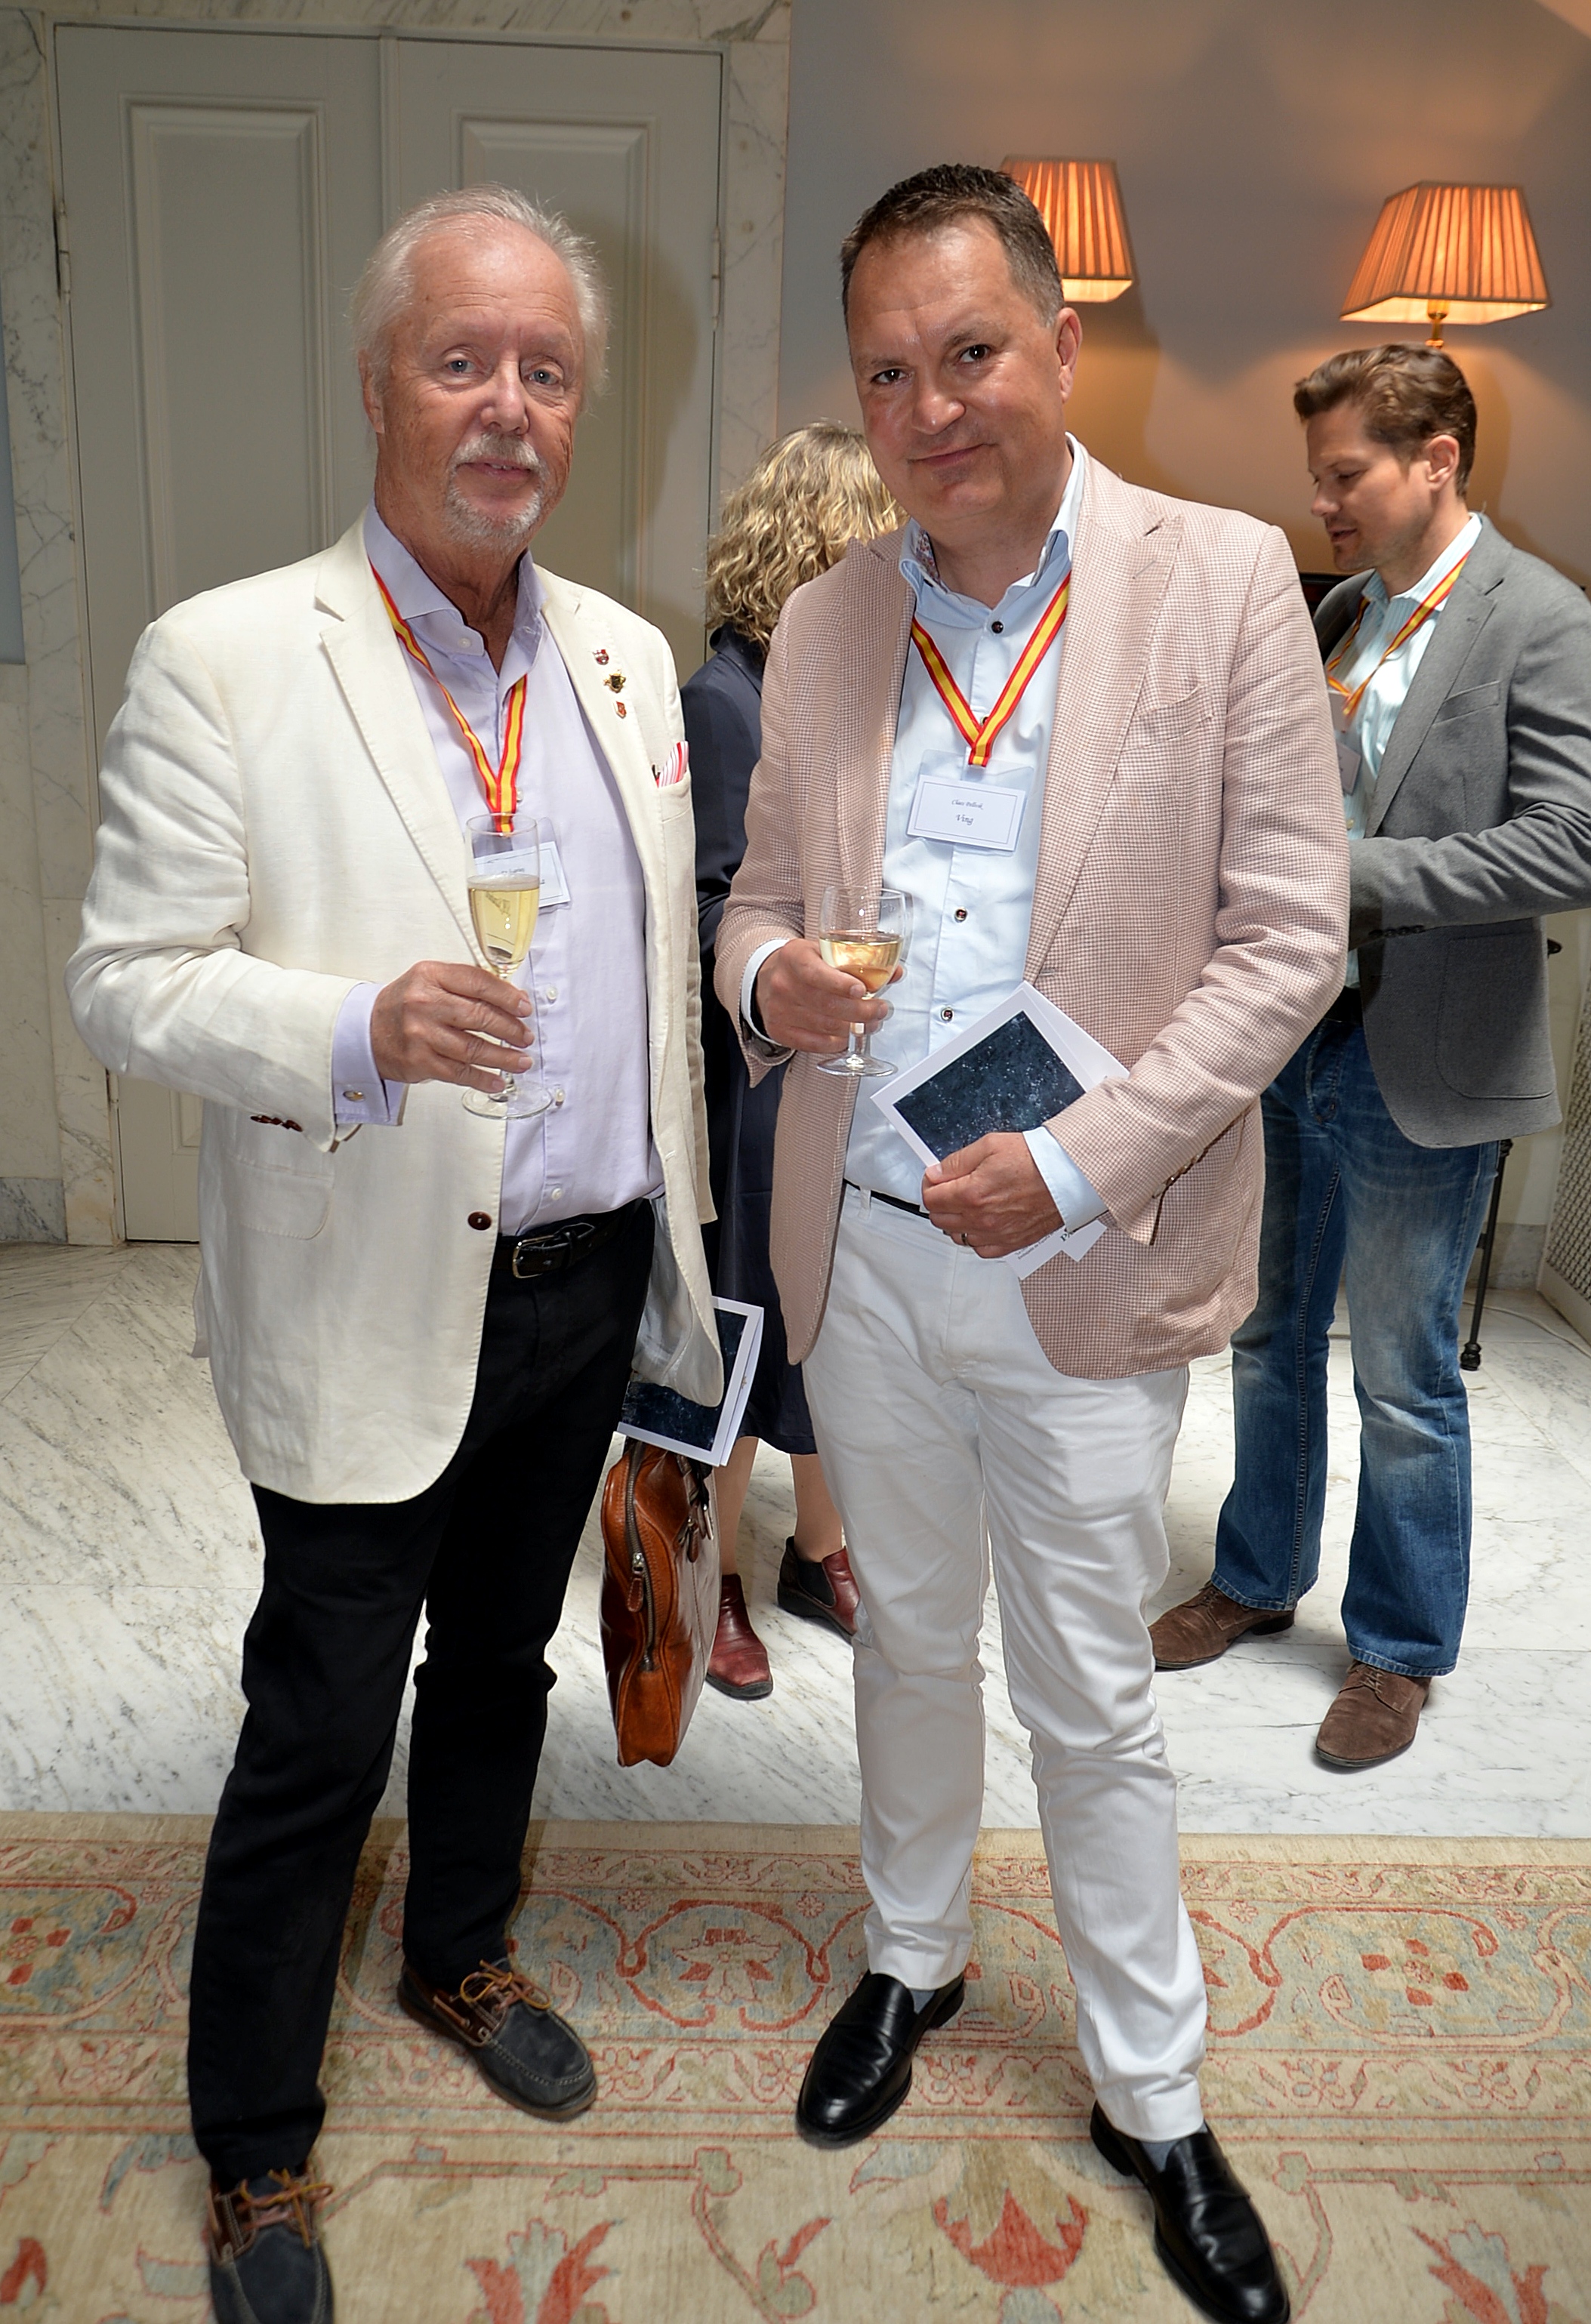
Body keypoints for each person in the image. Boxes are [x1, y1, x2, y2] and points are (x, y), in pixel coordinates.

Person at [66, 185, 720, 2324]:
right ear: (377, 385)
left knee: (504, 1664)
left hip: (581, 1275)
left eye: (545, 369)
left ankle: (456, 1951)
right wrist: (352, 1026)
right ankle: (255, 2146)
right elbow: (126, 980)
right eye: (461, 360)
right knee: (318, 1722)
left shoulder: (621, 656)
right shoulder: (229, 654)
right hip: (363, 1291)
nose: (507, 406)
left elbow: (662, 969)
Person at [717, 164, 1346, 2324]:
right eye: (887, 372)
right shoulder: (826, 620)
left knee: (1090, 1692)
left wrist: (1075, 1163)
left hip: (1085, 1253)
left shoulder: (1221, 578)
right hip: (868, 1244)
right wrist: (769, 976)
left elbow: (1285, 940)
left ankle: (1152, 2094)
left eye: (970, 352)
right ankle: (909, 1959)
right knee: (902, 1641)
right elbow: (750, 900)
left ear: (1063, 347)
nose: (930, 408)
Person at [1152, 346, 1591, 1769]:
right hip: (1293, 1032)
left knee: (1404, 1375)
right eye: (1319, 477)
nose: (1323, 503)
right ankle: (1256, 1577)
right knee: (1268, 1331)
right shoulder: (1343, 612)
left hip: (1429, 1053)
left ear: (1437, 459)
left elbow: (1573, 841)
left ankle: (1397, 1652)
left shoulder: (1543, 619)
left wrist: (1356, 875)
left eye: (1345, 474)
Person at [688, 424, 896, 1698]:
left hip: (844, 1069)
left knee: (832, 1317)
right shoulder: (727, 699)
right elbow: (712, 904)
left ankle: (820, 1550)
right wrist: (791, 977)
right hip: (753, 1077)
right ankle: (712, 1570)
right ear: (827, 541)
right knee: (750, 1323)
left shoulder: (845, 691)